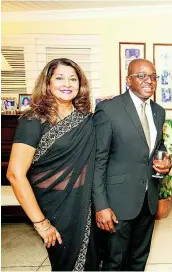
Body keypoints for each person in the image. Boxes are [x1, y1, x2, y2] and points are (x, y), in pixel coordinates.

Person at [6, 58, 99, 270]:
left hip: (85, 205)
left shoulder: (87, 120)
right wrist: (41, 224)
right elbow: (15, 174)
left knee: (93, 263)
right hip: (54, 208)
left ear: (80, 84)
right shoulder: (33, 120)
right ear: (47, 83)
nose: (67, 83)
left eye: (73, 79)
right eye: (59, 78)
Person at [92, 58, 171, 271]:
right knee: (114, 261)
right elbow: (99, 161)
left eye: (153, 77)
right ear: (128, 80)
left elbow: (157, 148)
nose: (149, 81)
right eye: (142, 76)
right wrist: (101, 206)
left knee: (139, 259)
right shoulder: (109, 110)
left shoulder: (158, 111)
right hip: (117, 203)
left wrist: (166, 164)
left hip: (148, 200)